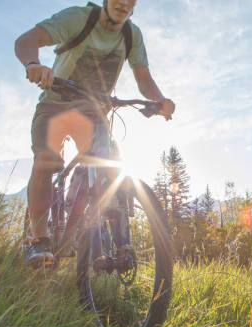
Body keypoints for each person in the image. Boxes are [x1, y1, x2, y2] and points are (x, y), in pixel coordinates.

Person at [15, 0, 175, 264]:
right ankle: (38, 239)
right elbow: (27, 39)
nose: (123, 2)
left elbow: (143, 80)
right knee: (46, 159)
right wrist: (33, 63)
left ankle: (113, 242)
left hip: (93, 112)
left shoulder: (131, 35)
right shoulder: (79, 19)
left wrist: (160, 101)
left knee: (110, 163)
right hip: (55, 103)